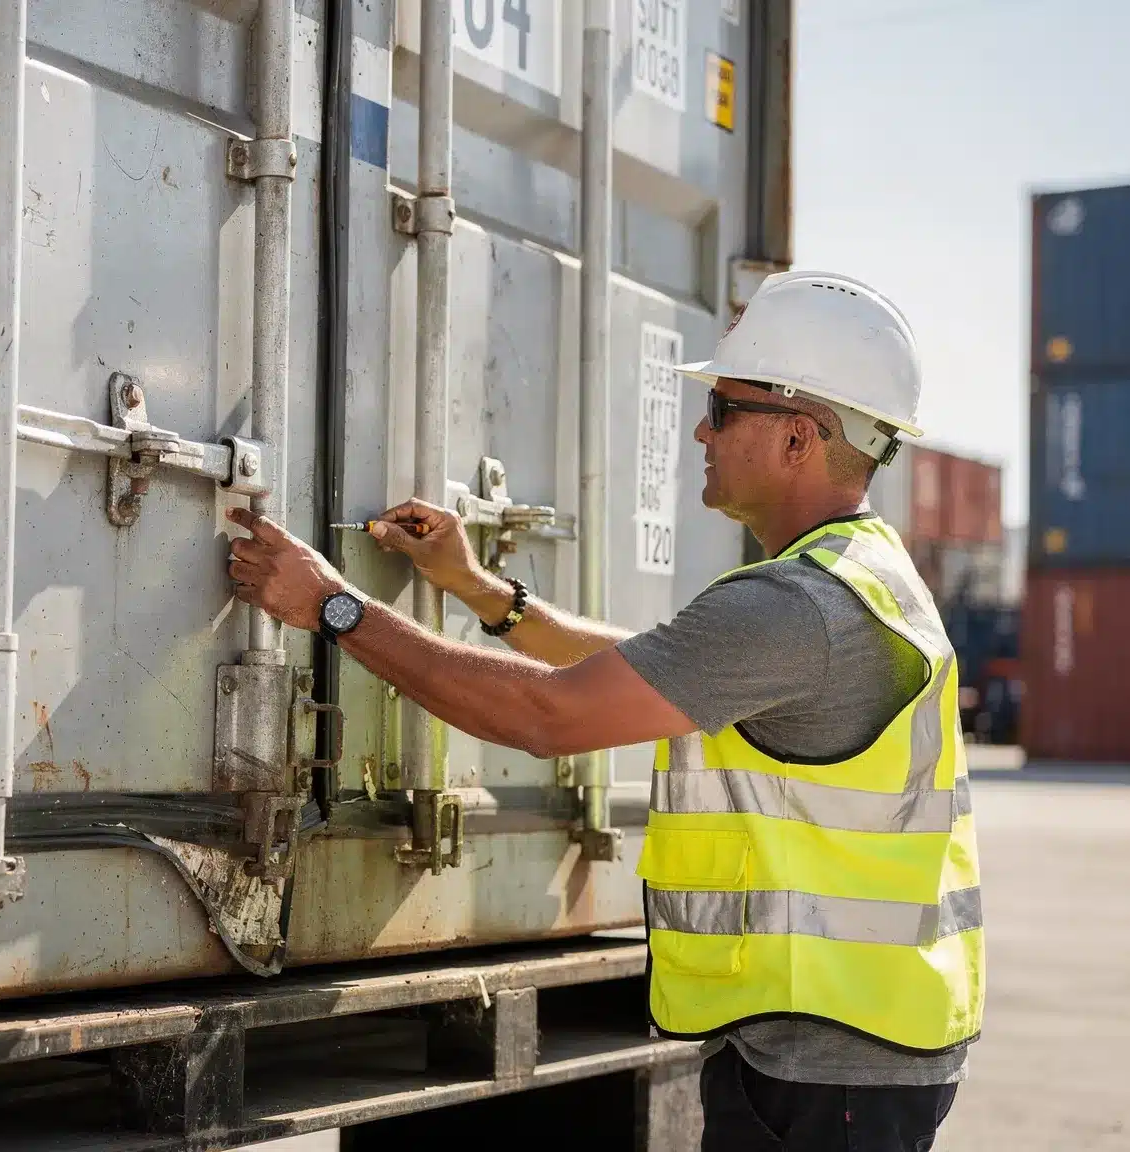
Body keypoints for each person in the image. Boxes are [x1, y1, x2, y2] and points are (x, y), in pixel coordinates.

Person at [226, 270, 981, 1151]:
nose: (702, 428)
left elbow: (551, 718)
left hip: (827, 1069)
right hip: (848, 1048)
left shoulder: (797, 607)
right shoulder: (857, 576)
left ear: (799, 438)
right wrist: (483, 592)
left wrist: (334, 609)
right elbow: (653, 666)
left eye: (725, 409)